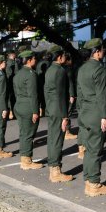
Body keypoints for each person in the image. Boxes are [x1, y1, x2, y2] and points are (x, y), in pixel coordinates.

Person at [77, 38, 106, 196]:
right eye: (102, 49)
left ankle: (88, 180)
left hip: (85, 111)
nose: (103, 52)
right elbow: (102, 95)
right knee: (95, 150)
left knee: (89, 148)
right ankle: (94, 184)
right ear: (97, 51)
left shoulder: (83, 68)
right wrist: (104, 116)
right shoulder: (99, 68)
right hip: (96, 112)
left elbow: (79, 93)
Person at [44, 45, 73, 183]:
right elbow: (61, 95)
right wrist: (64, 116)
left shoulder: (50, 70)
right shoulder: (60, 71)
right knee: (57, 140)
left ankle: (53, 168)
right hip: (58, 108)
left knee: (52, 138)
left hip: (51, 107)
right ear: (60, 57)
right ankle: (55, 171)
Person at [13, 50, 43, 170]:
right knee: (28, 134)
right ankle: (26, 160)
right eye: (34, 58)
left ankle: (24, 157)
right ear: (29, 60)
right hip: (28, 107)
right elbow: (33, 95)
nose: (35, 60)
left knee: (23, 133)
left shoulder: (18, 74)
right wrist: (35, 111)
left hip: (19, 105)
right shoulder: (30, 74)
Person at [63, 53, 77, 140]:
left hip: (63, 94)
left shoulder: (61, 68)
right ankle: (67, 132)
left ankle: (65, 131)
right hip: (68, 94)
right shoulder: (68, 69)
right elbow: (71, 83)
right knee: (68, 112)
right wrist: (72, 94)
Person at [5, 50, 17, 120]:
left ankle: (11, 113)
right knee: (12, 98)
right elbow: (10, 74)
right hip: (11, 83)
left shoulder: (8, 62)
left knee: (10, 98)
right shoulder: (11, 62)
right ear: (12, 55)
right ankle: (12, 113)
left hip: (10, 82)